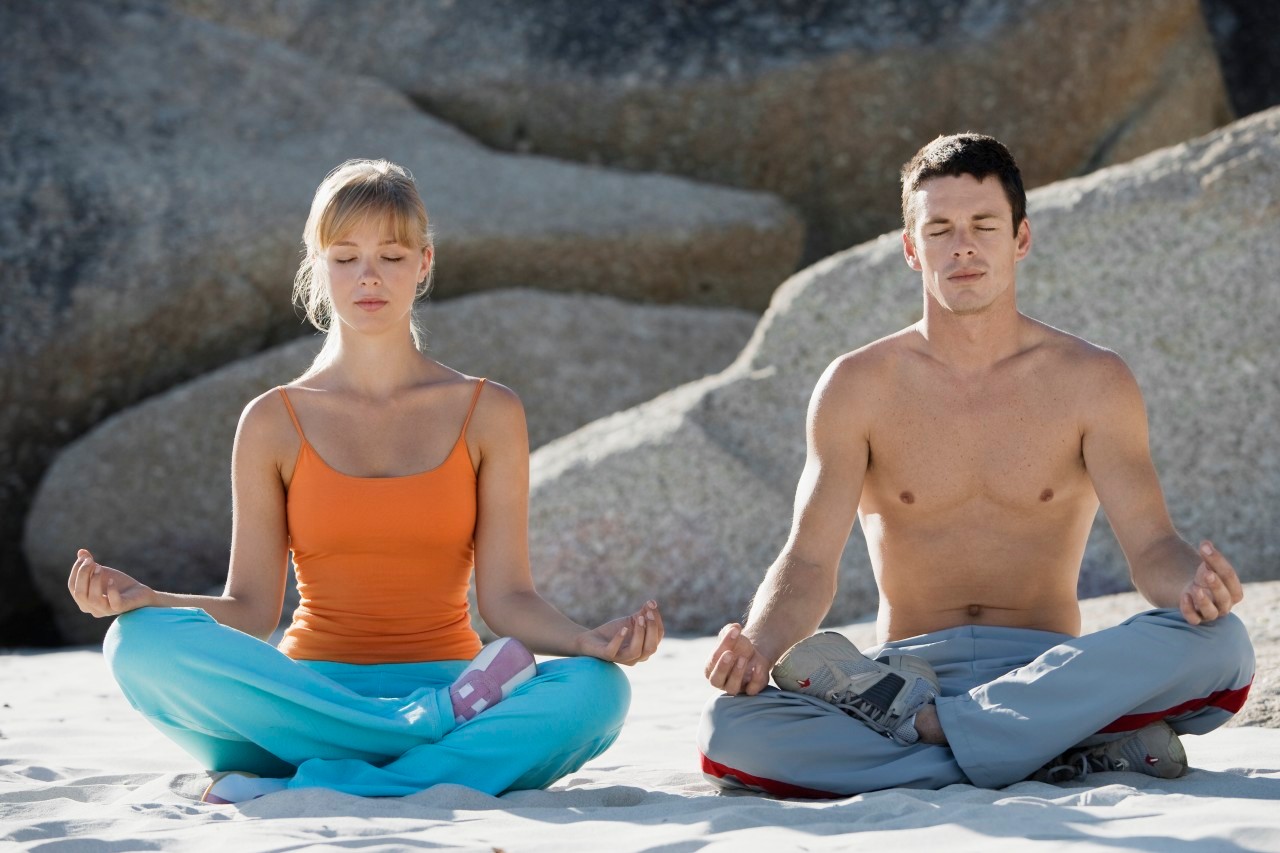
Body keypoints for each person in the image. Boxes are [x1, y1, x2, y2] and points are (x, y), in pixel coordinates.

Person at [67, 158, 663, 804]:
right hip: (302, 701)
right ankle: (418, 742)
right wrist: (148, 597)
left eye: (392, 254)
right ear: (317, 266)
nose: (369, 275)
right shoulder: (273, 421)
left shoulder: (488, 412)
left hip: (452, 684)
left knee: (598, 691)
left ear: (425, 263)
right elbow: (251, 610)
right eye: (346, 257)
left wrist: (584, 639)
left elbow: (507, 597)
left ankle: (326, 776)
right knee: (135, 641)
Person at [697, 133, 1254, 797]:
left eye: (983, 225)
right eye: (939, 228)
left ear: (1020, 238)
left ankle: (948, 731)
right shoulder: (856, 385)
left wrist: (1194, 585)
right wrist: (758, 642)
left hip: (1047, 668)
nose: (963, 245)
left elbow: (1152, 546)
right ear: (911, 248)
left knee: (1224, 647)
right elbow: (809, 561)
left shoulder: (1092, 379)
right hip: (900, 678)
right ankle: (1056, 752)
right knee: (730, 730)